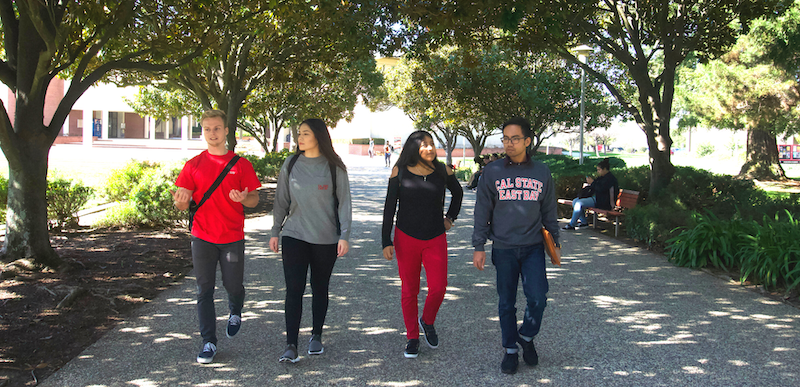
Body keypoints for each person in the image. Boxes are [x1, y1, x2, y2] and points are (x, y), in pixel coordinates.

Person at [472, 117, 561, 374]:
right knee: (506, 303)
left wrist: (555, 240)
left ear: (527, 141)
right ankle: (510, 349)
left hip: (533, 246)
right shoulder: (492, 172)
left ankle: (527, 336)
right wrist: (479, 245)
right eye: (506, 139)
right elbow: (482, 211)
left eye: (515, 139)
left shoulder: (542, 172)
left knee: (538, 298)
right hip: (504, 247)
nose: (509, 144)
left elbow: (549, 209)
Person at [172, 109, 262, 364]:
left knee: (233, 285)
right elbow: (182, 201)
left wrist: (246, 198)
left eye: (217, 128)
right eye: (208, 129)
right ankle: (208, 342)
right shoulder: (193, 165)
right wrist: (181, 201)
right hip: (202, 236)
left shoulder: (240, 164)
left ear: (226, 131)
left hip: (232, 236)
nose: (213, 133)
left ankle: (236, 309)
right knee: (204, 290)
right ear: (203, 132)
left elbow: (255, 199)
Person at [270, 118, 352, 363]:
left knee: (319, 288)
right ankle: (291, 344)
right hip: (294, 236)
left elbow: (345, 204)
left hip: (326, 239)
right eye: (299, 134)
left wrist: (344, 236)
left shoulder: (334, 167)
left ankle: (316, 335)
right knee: (294, 290)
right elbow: (281, 201)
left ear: (318, 136)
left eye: (305, 133)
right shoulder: (291, 163)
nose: (300, 138)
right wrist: (275, 231)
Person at [382, 130, 464, 358]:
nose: (429, 148)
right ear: (413, 148)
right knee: (410, 290)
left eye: (432, 144)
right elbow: (389, 208)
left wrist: (450, 218)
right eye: (424, 145)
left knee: (438, 287)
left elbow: (458, 194)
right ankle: (412, 337)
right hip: (406, 237)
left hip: (435, 237)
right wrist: (385, 240)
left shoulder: (442, 171)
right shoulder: (399, 172)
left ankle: (427, 321)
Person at [562, 158, 619, 230]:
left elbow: (601, 189)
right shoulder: (602, 178)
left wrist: (592, 182)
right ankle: (584, 222)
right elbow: (595, 187)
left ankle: (572, 224)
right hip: (596, 198)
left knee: (579, 203)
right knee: (575, 201)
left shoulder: (610, 179)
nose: (598, 172)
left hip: (603, 201)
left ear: (604, 169)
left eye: (599, 170)